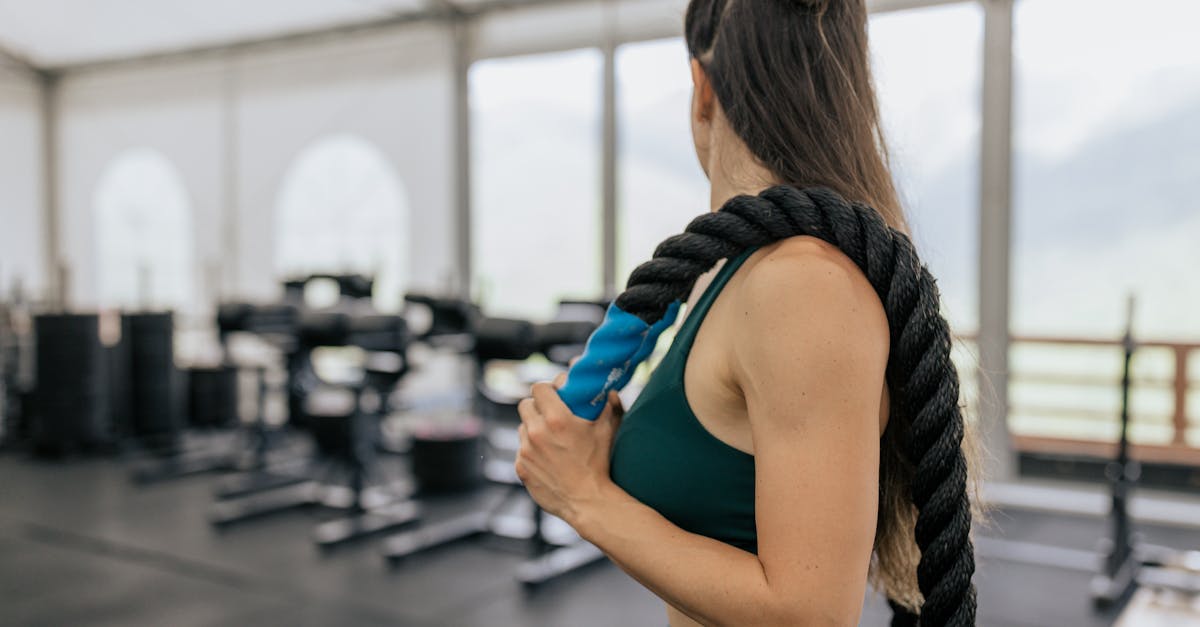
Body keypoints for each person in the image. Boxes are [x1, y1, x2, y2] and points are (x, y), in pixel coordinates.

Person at [514, 1, 981, 625]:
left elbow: (809, 613)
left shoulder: (801, 285)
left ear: (701, 91)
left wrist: (584, 496)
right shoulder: (740, 272)